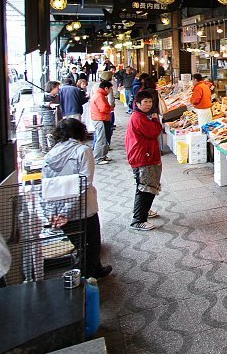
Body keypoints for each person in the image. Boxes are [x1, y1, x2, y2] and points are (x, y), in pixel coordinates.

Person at [42, 118, 112, 279]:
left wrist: (53, 213)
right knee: (91, 246)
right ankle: (82, 285)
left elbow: (47, 187)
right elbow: (84, 183)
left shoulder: (49, 155)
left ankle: (96, 270)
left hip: (60, 211)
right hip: (83, 210)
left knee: (82, 244)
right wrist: (65, 213)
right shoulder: (83, 151)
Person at [125, 90, 162, 231]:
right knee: (144, 187)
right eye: (145, 102)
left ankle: (144, 211)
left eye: (150, 102)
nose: (148, 104)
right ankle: (138, 219)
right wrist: (155, 120)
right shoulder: (139, 118)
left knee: (147, 185)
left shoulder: (140, 116)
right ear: (137, 103)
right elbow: (154, 131)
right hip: (143, 157)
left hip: (145, 155)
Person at [90, 80, 113, 165]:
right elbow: (103, 109)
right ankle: (98, 158)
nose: (110, 91)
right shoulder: (99, 96)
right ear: (106, 88)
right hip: (100, 119)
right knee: (101, 139)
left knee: (104, 138)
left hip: (102, 118)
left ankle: (103, 155)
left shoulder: (100, 95)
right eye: (110, 89)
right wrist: (110, 108)